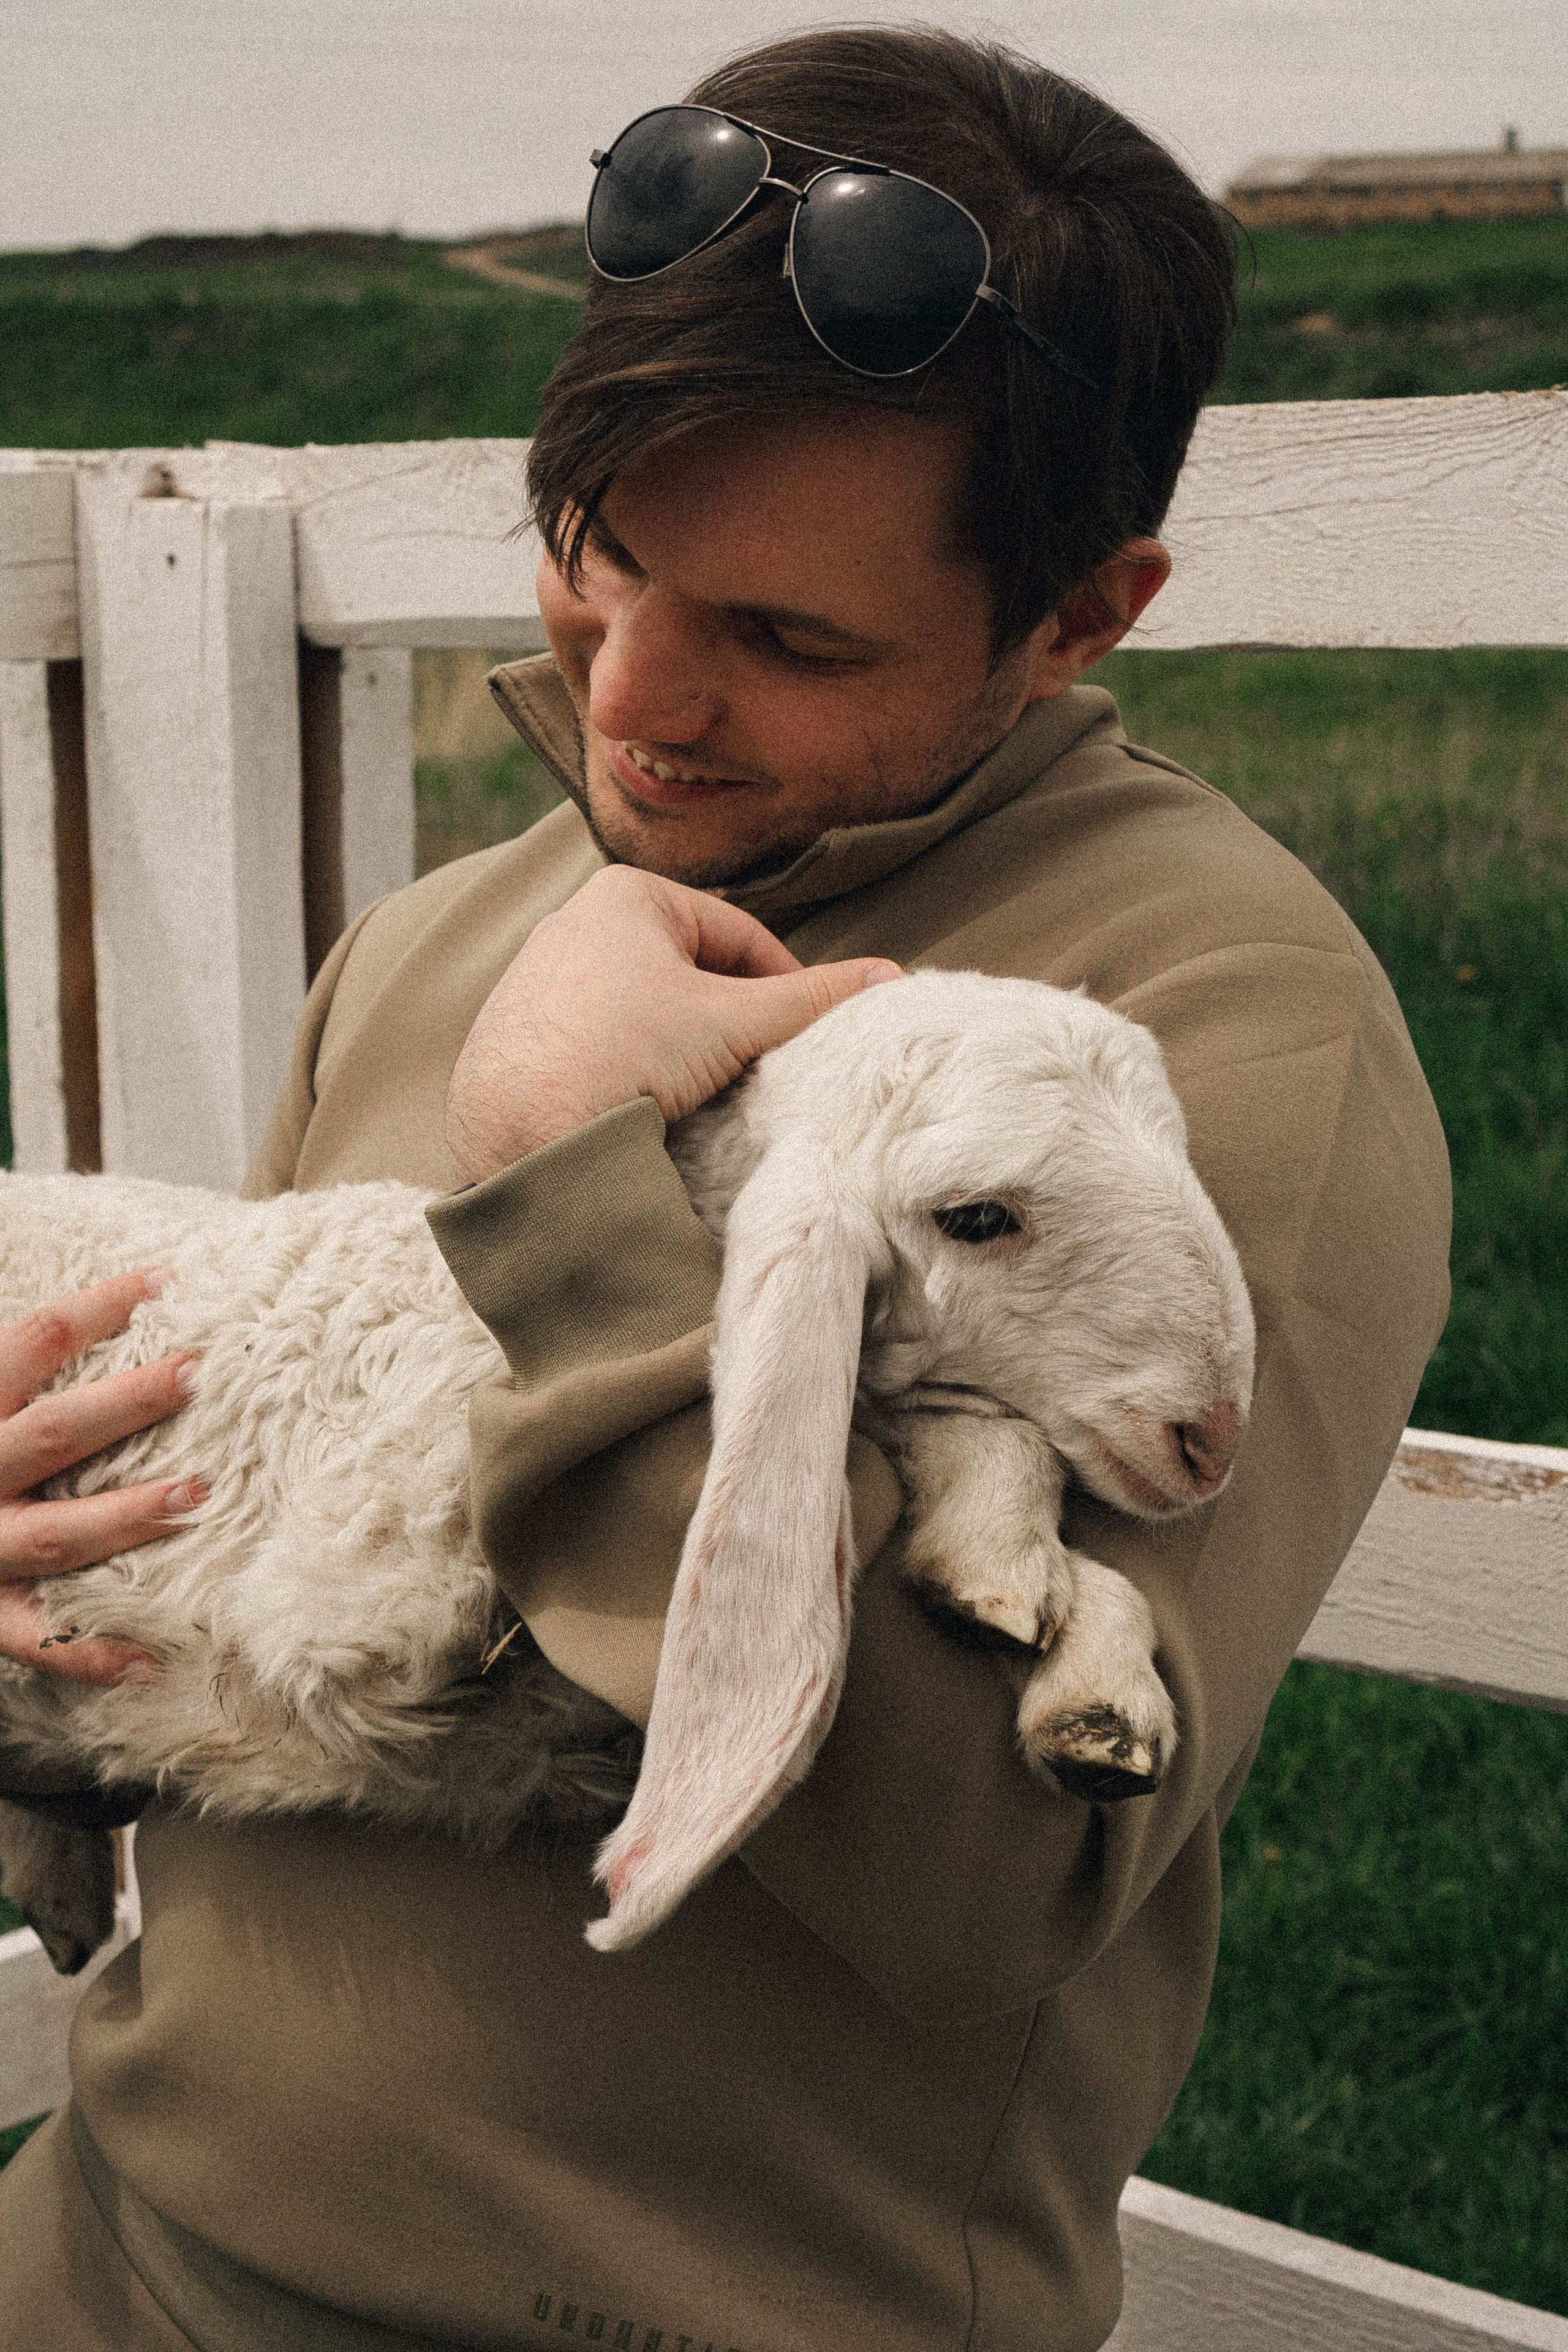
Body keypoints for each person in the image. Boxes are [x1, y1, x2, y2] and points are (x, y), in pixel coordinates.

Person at [0, 27, 1449, 2352]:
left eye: (786, 639)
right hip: (98, 2242)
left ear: (1083, 609)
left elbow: (998, 1864)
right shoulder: (455, 933)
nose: (631, 701)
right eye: (604, 555)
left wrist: (574, 1183)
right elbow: (236, 1546)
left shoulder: (1220, 1023)